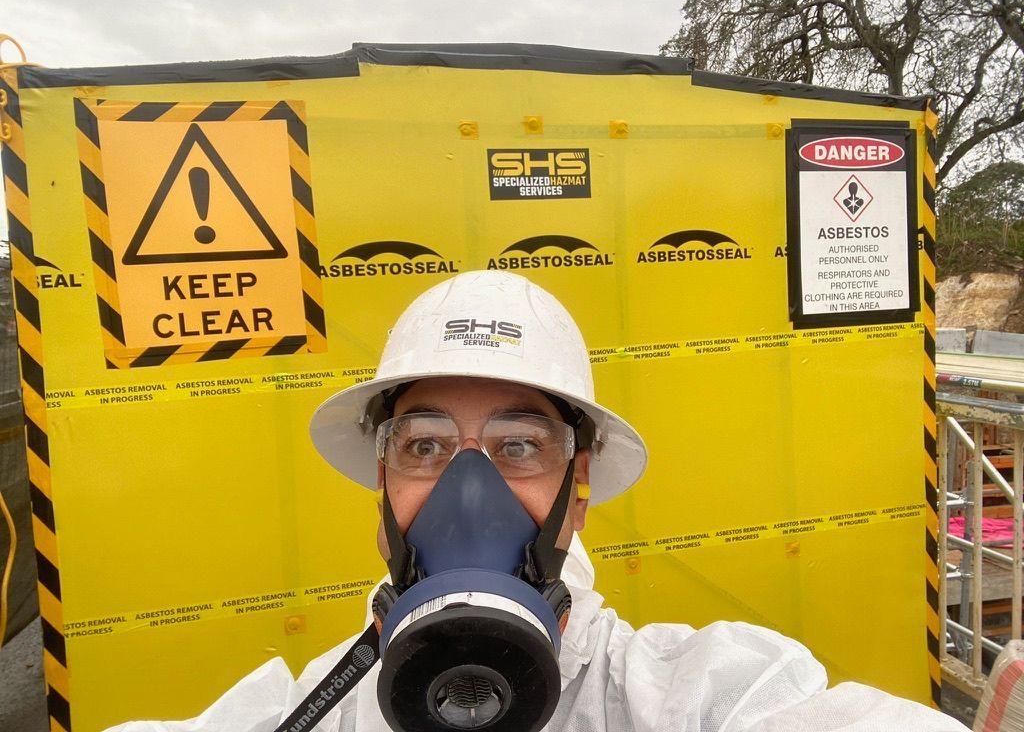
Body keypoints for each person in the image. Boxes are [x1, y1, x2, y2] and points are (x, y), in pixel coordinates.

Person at [108, 271, 966, 732]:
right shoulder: (313, 710)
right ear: (383, 491)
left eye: (520, 446)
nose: (465, 490)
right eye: (425, 446)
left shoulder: (679, 694)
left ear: (577, 496)